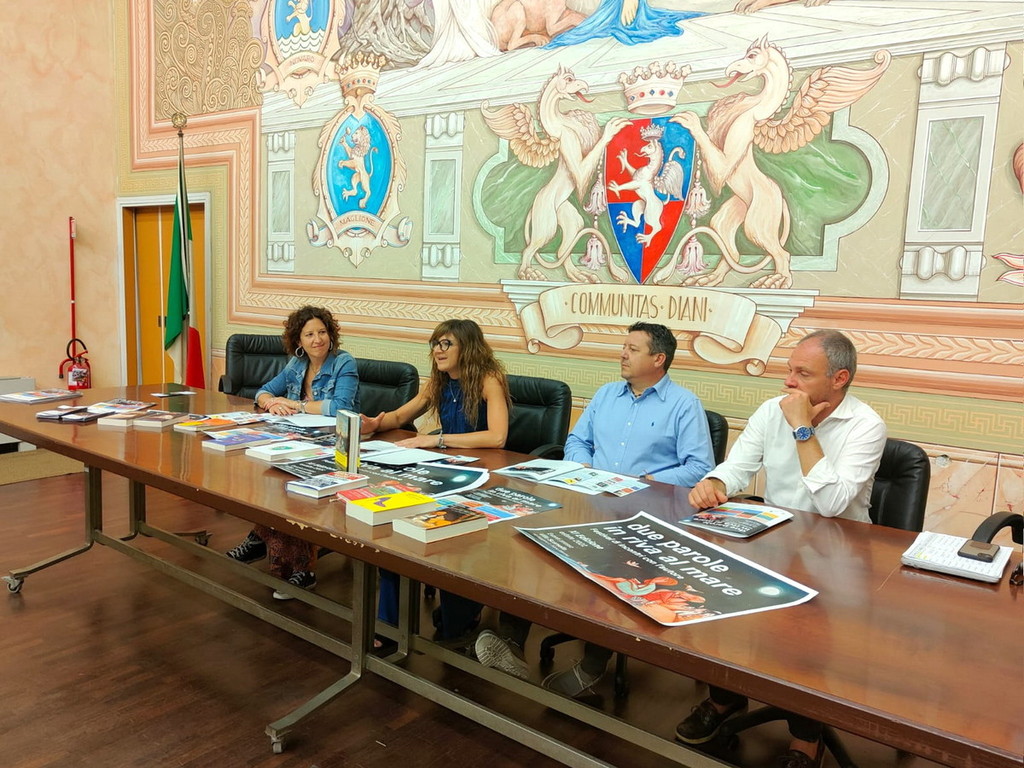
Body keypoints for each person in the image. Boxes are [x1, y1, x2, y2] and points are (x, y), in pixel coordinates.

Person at [676, 329, 886, 768]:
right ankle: (725, 700)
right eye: (789, 370)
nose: (788, 382)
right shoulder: (772, 410)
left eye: (802, 374)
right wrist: (715, 481)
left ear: (839, 378)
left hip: (836, 558)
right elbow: (739, 465)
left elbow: (831, 505)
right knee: (721, 604)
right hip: (775, 539)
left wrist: (802, 428)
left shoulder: (866, 426)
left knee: (804, 642)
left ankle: (806, 739)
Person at [475, 322, 714, 691]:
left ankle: (590, 669)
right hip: (587, 501)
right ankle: (511, 643)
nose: (623, 354)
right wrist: (582, 467)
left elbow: (699, 467)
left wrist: (646, 480)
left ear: (658, 359)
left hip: (642, 515)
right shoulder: (606, 395)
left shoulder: (684, 405)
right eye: (624, 346)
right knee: (531, 543)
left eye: (633, 349)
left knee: (618, 572)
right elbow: (577, 441)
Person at [362, 319, 510, 647]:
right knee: (395, 532)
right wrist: (373, 424)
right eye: (435, 344)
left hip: (481, 479)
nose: (438, 351)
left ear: (467, 348)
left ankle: (463, 615)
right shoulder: (439, 382)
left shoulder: (488, 380)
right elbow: (400, 416)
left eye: (446, 344)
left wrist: (436, 440)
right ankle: (388, 627)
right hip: (443, 474)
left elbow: (497, 437)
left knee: (453, 556)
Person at [225, 305, 359, 600]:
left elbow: (341, 407)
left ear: (331, 335)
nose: (317, 339)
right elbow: (262, 391)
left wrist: (296, 404)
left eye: (322, 332)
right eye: (309, 334)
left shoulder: (343, 362)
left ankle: (292, 562)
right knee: (274, 481)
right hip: (301, 440)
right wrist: (272, 403)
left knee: (294, 490)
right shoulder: (297, 364)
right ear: (299, 340)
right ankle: (270, 544)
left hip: (335, 447)